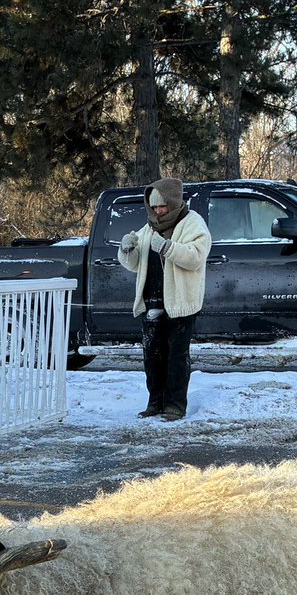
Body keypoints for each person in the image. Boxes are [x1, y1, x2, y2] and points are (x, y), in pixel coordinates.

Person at [117, 177, 211, 421]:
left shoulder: (193, 223)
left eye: (162, 206)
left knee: (176, 356)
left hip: (180, 303)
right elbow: (135, 264)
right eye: (154, 206)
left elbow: (196, 257)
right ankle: (154, 403)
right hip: (152, 301)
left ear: (173, 202)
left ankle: (175, 405)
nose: (158, 211)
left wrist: (168, 247)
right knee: (152, 356)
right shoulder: (149, 227)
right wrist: (127, 249)